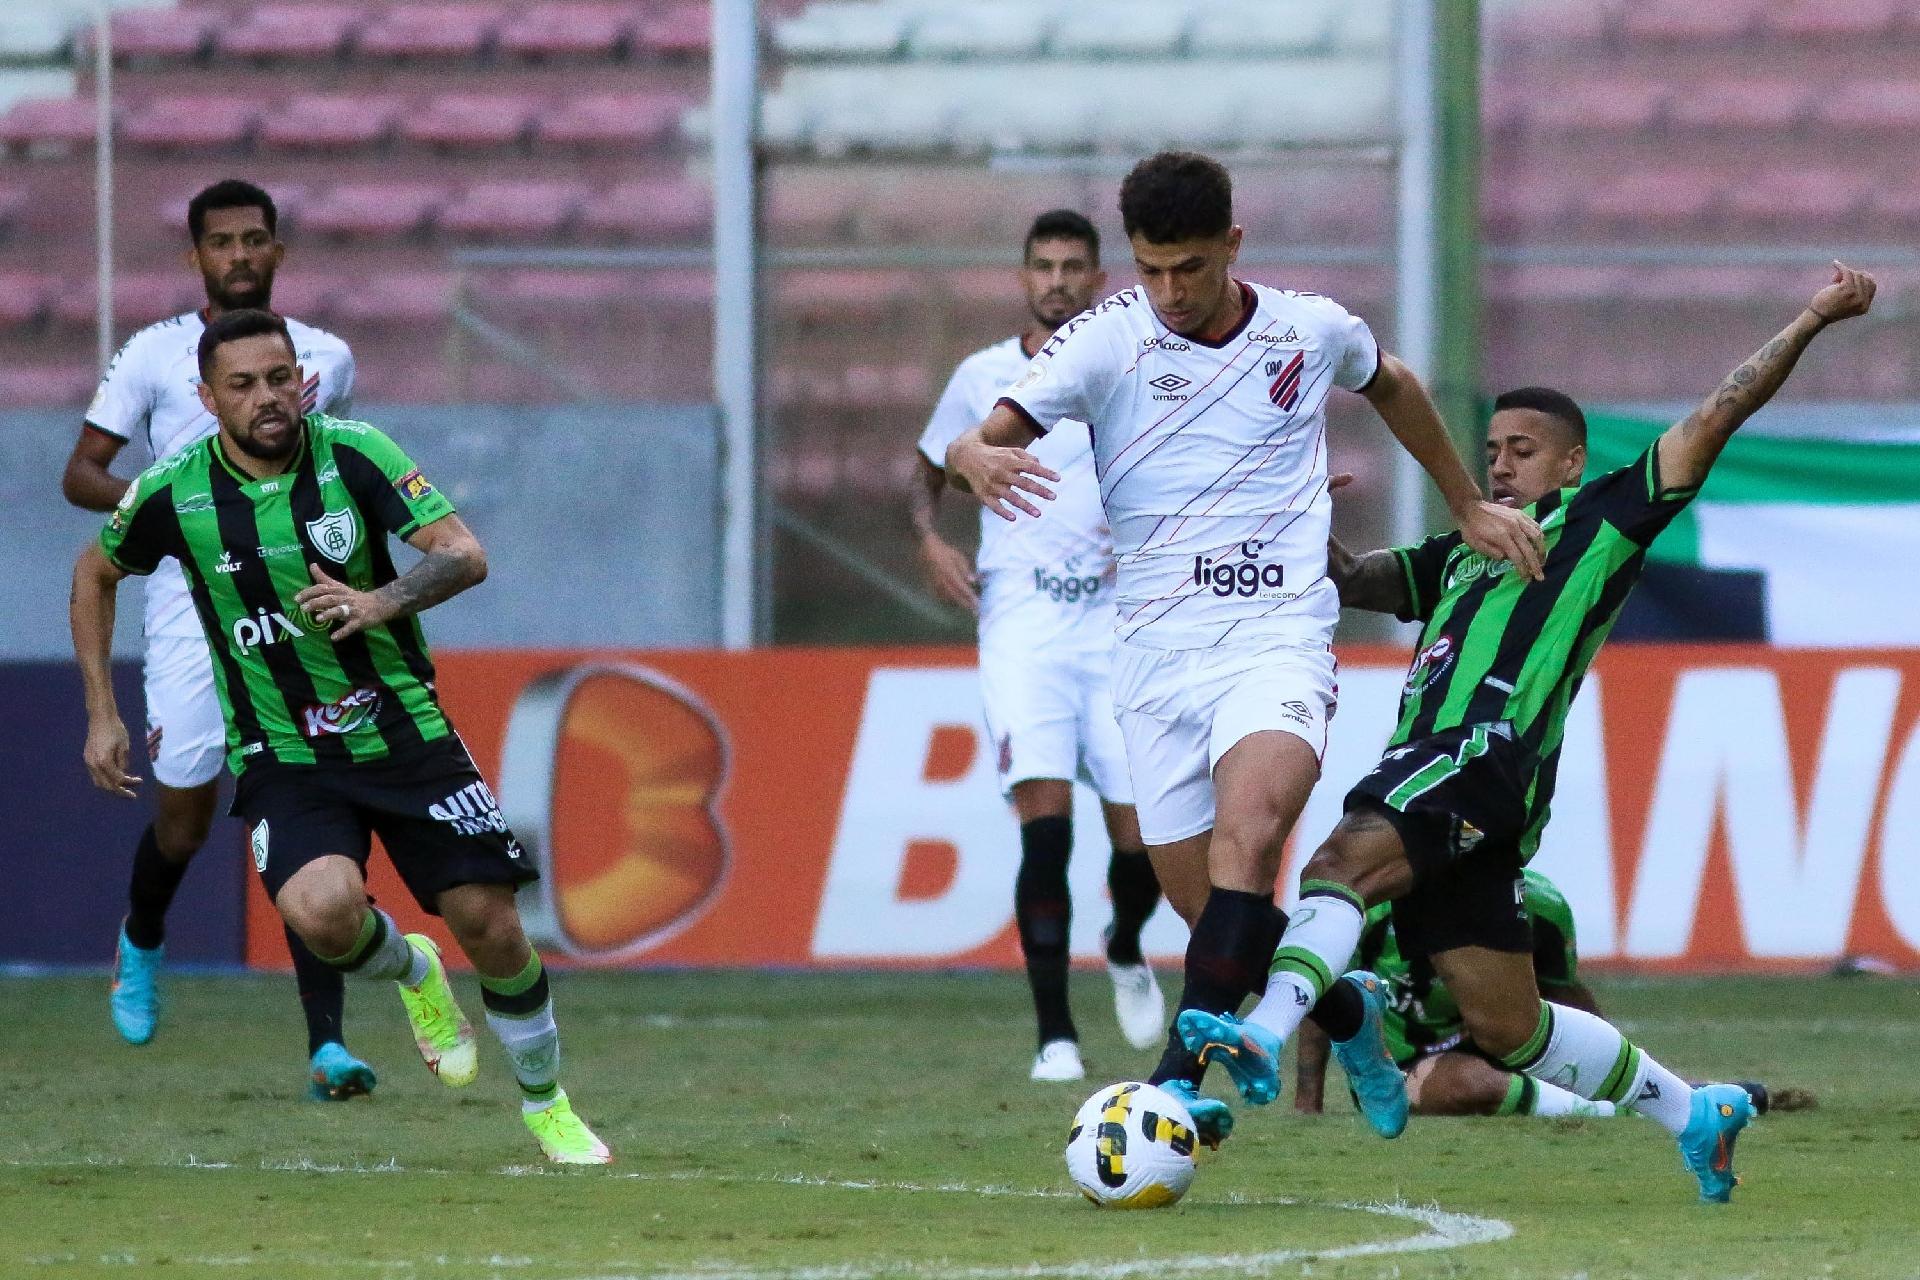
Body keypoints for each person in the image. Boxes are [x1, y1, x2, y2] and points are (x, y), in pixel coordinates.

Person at [1179, 263, 1876, 1200]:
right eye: (1493, 449)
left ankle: (1269, 1035)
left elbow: (1717, 415)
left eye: (1521, 449)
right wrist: (1299, 517)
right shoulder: (1466, 550)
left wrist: (1812, 317)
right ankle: (1693, 1109)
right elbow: (1361, 579)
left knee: (1334, 868)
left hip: (1481, 752)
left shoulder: (1599, 522)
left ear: (1571, 462)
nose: (1499, 464)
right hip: (1464, 786)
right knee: (1510, 1027)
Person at [942, 151, 1544, 1144]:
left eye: (1189, 267)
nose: (1170, 292)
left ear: (1232, 244)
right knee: (1211, 917)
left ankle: (1170, 1084)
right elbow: (997, 427)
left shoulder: (1307, 329)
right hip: (1152, 657)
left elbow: (1390, 381)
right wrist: (972, 452)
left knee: (1252, 841)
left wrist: (1466, 502)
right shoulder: (1107, 341)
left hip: (1275, 640)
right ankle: (1348, 1014)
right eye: (1151, 269)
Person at [70, 309, 610, 1164]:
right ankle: (413, 973)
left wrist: (378, 603)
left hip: (404, 731)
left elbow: (464, 553)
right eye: (243, 385)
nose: (268, 398)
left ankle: (548, 1107)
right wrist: (103, 711)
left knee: (496, 928)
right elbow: (96, 572)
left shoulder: (357, 453)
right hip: (285, 755)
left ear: (302, 380)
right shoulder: (174, 491)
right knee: (324, 914)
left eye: (280, 377)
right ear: (208, 399)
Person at [59, 179, 372, 1100]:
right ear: (195, 257)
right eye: (221, 242)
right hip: (188, 608)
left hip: (291, 604)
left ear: (279, 252)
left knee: (301, 805)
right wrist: (190, 513)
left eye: (255, 240)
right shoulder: (155, 355)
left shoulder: (327, 358)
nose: (239, 255)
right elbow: (83, 471)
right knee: (187, 817)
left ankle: (328, 1045)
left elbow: (325, 465)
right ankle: (143, 937)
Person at [913, 209, 1166, 1083]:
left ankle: (1128, 943)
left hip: (1119, 623)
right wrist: (932, 537)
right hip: (1023, 626)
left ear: (1101, 280)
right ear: (1023, 277)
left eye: (1073, 267)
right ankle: (1054, 1034)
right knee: (1045, 832)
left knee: (1143, 841)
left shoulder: (1130, 366)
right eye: (1042, 266)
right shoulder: (982, 376)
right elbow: (931, 466)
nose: (1056, 280)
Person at [1292, 868, 1810, 1119]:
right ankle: (1626, 1110)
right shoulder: (1370, 912)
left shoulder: (1537, 906)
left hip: (1505, 1045)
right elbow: (1325, 1003)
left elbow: (1571, 1001)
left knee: (1525, 1055)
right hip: (1401, 1071)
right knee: (1466, 1082)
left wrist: (1621, 1062)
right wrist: (1307, 1103)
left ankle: (1673, 1092)